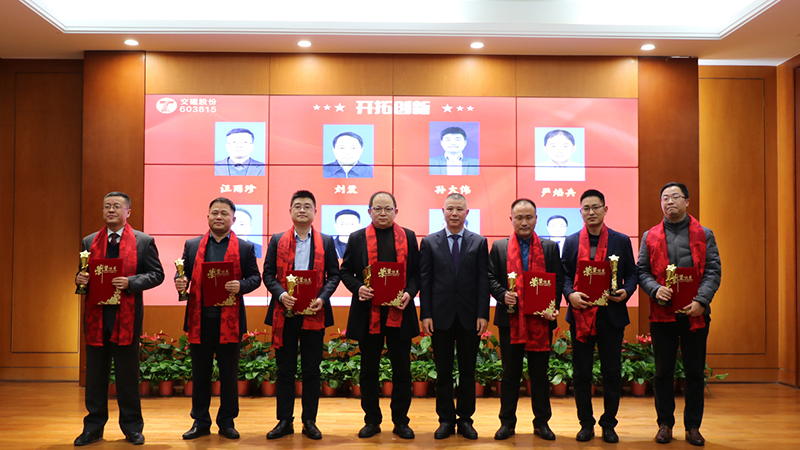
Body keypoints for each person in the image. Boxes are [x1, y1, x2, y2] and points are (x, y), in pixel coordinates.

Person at [73, 191, 164, 446]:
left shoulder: (143, 241)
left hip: (126, 319)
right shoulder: (89, 241)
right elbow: (84, 276)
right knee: (95, 377)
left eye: (116, 206)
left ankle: (132, 428)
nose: (110, 210)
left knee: (127, 377)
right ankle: (93, 428)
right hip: (97, 317)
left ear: (128, 212)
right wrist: (79, 280)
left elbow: (157, 274)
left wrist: (131, 282)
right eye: (106, 206)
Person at [637, 182, 721, 447]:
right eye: (665, 198)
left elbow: (713, 270)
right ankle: (665, 424)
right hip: (662, 314)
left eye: (675, 197)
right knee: (663, 373)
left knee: (694, 373)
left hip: (695, 313)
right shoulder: (649, 236)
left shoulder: (704, 234)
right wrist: (654, 289)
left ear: (687, 202)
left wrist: (701, 301)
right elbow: (642, 271)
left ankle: (693, 427)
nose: (669, 201)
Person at [175, 197, 262, 441]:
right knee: (200, 375)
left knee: (229, 376)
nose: (219, 217)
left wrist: (241, 285)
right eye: (215, 213)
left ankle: (226, 422)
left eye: (224, 213)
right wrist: (180, 282)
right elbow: (182, 274)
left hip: (229, 322)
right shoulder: (192, 245)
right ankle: (200, 422)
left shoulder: (245, 248)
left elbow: (255, 278)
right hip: (200, 321)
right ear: (208, 217)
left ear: (233, 219)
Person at [340, 191, 420, 439]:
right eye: (378, 209)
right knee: (368, 370)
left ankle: (401, 421)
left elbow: (416, 273)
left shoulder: (408, 236)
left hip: (400, 312)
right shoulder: (357, 238)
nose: (383, 213)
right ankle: (372, 420)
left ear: (396, 211)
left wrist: (409, 292)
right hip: (368, 314)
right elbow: (345, 272)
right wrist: (358, 288)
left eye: (388, 209)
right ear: (369, 211)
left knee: (402, 371)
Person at [263, 190, 341, 440]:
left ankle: (310, 421)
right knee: (285, 370)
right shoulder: (277, 240)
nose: (302, 210)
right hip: (284, 313)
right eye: (297, 206)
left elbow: (334, 275)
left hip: (314, 313)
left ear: (315, 212)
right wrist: (280, 294)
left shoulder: (326, 241)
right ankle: (284, 421)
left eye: (307, 206)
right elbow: (268, 275)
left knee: (311, 370)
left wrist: (322, 298)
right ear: (290, 211)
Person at [561, 189, 638, 443]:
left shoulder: (621, 240)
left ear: (605, 209)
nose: (591, 212)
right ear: (580, 212)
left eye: (596, 207)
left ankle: (609, 424)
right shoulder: (571, 241)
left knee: (612, 373)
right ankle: (586, 424)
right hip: (581, 315)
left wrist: (626, 291)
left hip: (610, 315)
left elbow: (632, 273)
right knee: (581, 373)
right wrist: (570, 294)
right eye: (586, 208)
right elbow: (564, 275)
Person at [489, 199, 563, 441]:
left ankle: (541, 423)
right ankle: (507, 423)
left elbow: (557, 280)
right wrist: (503, 294)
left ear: (536, 219)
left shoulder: (550, 248)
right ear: (511, 219)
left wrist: (552, 306)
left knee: (539, 375)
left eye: (528, 217)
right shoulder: (499, 247)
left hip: (541, 320)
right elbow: (490, 278)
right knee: (510, 374)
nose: (524, 222)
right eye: (519, 217)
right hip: (510, 320)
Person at [419, 193, 489, 439]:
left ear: (467, 213)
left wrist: (483, 314)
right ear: (443, 212)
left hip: (470, 317)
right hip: (440, 317)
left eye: (459, 209)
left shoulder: (479, 242)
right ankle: (446, 420)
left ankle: (466, 419)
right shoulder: (429, 242)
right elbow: (425, 281)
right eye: (450, 209)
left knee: (468, 372)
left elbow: (483, 281)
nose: (455, 213)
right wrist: (426, 314)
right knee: (444, 372)